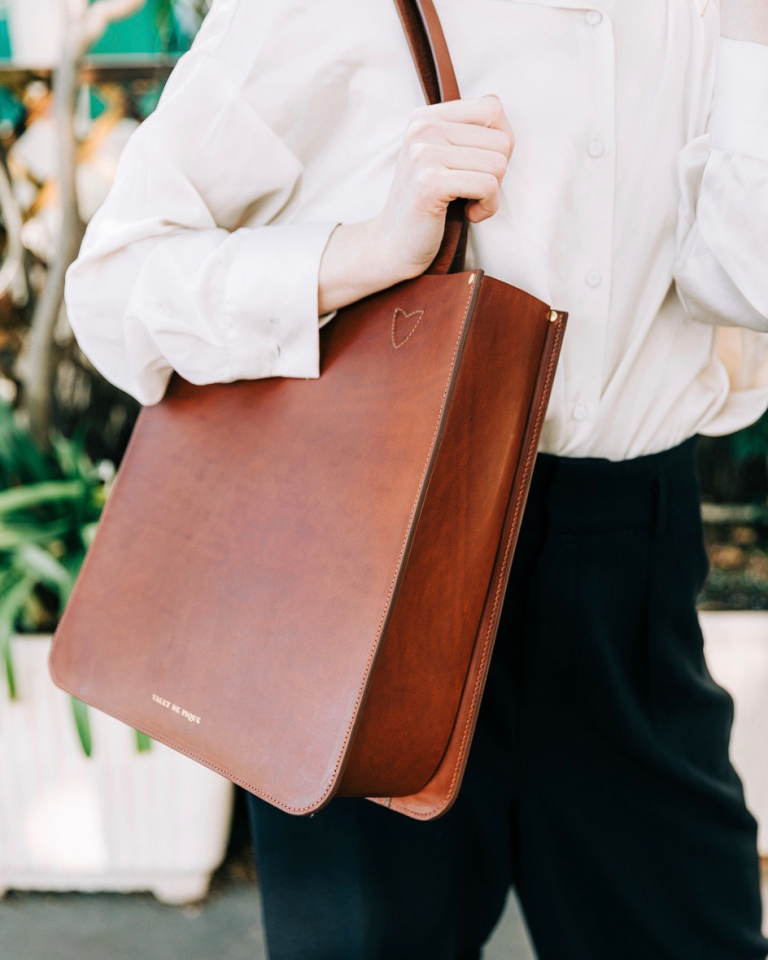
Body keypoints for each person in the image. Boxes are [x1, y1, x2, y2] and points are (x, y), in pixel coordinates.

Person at [63, 0, 768, 957]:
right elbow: (112, 288)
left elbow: (748, 281)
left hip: (629, 568)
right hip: (369, 577)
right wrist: (362, 251)